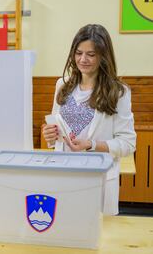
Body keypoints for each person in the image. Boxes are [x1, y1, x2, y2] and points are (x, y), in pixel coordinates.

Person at [42, 24, 136, 215]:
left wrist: (91, 144)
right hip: (63, 175)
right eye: (78, 53)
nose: (83, 59)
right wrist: (49, 134)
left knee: (98, 237)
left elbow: (128, 143)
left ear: (103, 56)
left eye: (91, 55)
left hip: (97, 178)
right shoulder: (62, 85)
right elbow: (55, 137)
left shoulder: (118, 92)